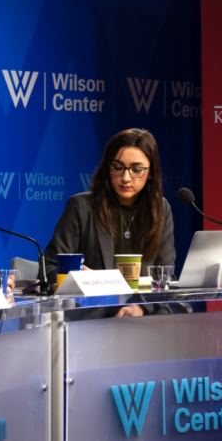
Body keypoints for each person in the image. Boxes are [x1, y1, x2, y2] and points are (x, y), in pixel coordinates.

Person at [45, 128, 175, 316]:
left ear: (151, 172)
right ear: (108, 167)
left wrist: (139, 307)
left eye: (137, 170)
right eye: (117, 167)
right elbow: (50, 269)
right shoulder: (80, 207)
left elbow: (164, 276)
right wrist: (80, 279)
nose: (125, 177)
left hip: (145, 317)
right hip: (92, 319)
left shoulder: (160, 209)